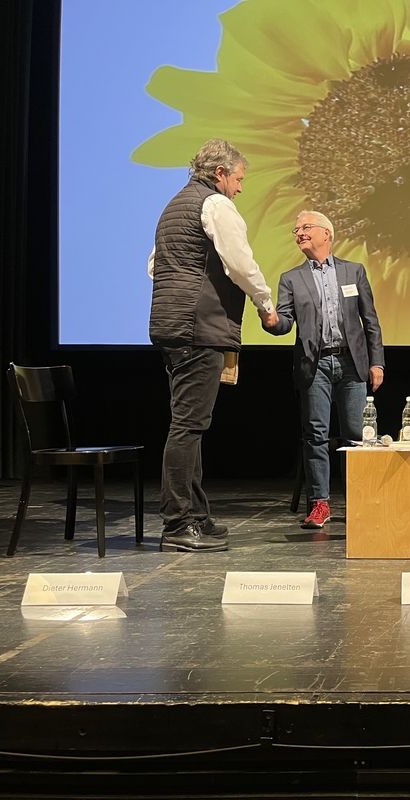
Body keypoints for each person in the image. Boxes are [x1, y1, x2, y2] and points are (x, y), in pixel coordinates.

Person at [149, 138, 279, 553]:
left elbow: (156, 265)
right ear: (220, 173)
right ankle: (177, 523)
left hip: (172, 324)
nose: (241, 188)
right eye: (239, 178)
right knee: (188, 426)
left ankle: (197, 516)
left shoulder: (176, 204)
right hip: (197, 327)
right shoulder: (216, 205)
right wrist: (265, 304)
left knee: (192, 423)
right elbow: (240, 262)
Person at [263, 211, 385, 529]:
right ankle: (320, 504)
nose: (299, 233)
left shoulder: (353, 271)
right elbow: (286, 321)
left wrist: (377, 361)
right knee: (315, 435)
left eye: (305, 228)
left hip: (351, 362)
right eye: (296, 230)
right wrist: (274, 323)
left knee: (357, 437)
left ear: (326, 234)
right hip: (313, 364)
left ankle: (361, 500)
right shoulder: (291, 278)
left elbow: (370, 321)